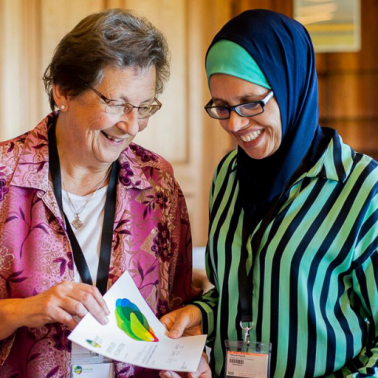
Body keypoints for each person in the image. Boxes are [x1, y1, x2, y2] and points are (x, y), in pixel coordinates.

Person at [160, 9, 378, 378]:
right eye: (223, 107)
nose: (236, 124)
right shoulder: (228, 176)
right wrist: (201, 313)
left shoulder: (362, 189)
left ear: (291, 84)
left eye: (250, 103)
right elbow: (241, 291)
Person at [0, 8, 201, 378]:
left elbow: (178, 306)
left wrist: (184, 354)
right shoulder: (4, 178)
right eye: (116, 104)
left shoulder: (158, 184)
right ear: (63, 90)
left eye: (144, 108)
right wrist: (24, 310)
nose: (131, 125)